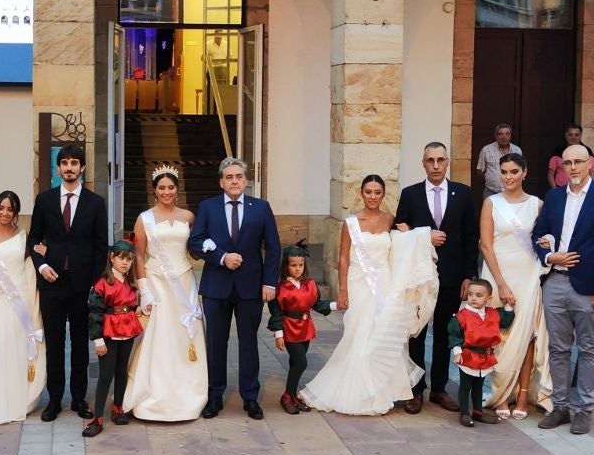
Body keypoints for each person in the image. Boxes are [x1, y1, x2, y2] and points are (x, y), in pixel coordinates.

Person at [301, 175, 439, 415]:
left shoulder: (390, 219)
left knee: (381, 335)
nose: (373, 196)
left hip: (384, 283)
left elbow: (403, 245)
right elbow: (343, 258)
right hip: (359, 282)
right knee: (358, 334)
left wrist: (417, 235)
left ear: (383, 194)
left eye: (377, 192)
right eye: (368, 192)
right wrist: (342, 290)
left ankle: (379, 392)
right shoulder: (351, 222)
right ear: (361, 193)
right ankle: (354, 392)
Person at [533, 144, 594, 435]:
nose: (572, 167)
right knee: (558, 349)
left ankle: (584, 410)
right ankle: (560, 407)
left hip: (589, 287)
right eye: (567, 163)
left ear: (590, 164)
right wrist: (550, 256)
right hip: (555, 283)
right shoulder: (554, 196)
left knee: (589, 348)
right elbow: (538, 234)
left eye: (578, 162)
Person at [188, 157, 281, 420]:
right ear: (221, 182)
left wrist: (269, 282)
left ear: (246, 180)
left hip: (251, 287)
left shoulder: (261, 208)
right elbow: (195, 241)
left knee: (249, 342)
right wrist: (221, 257)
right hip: (216, 287)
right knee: (216, 343)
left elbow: (273, 247)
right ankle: (214, 396)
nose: (234, 181)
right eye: (229, 177)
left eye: (238, 176)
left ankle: (250, 396)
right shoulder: (208, 207)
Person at [395, 142, 479, 414]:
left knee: (445, 333)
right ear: (423, 163)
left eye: (440, 160)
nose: (435, 165)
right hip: (420, 277)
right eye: (430, 160)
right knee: (417, 333)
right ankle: (416, 390)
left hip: (453, 276)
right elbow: (399, 231)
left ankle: (439, 389)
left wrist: (469, 275)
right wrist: (424, 236)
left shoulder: (463, 194)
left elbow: (471, 237)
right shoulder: (410, 194)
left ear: (447, 162)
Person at [27, 144, 108, 422]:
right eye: (64, 163)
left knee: (80, 346)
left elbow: (100, 246)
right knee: (55, 344)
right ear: (58, 167)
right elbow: (34, 238)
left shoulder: (95, 203)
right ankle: (54, 400)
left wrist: (94, 283)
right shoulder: (45, 200)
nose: (69, 167)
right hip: (52, 284)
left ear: (82, 167)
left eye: (74, 163)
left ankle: (78, 398)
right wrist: (42, 266)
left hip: (82, 286)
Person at [122, 165, 207, 421]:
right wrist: (144, 288)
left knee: (184, 334)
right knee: (159, 335)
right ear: (155, 191)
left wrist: (206, 246)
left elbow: (193, 250)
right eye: (162, 188)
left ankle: (188, 392)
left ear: (176, 190)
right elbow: (138, 254)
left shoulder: (189, 216)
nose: (166, 192)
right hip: (157, 282)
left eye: (171, 187)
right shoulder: (144, 219)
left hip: (184, 281)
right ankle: (154, 393)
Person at [479, 153, 554, 419]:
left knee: (527, 335)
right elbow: (486, 245)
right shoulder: (491, 203)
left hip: (528, 274)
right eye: (504, 172)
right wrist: (500, 284)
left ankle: (522, 394)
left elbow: (546, 238)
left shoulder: (537, 204)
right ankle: (501, 394)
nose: (508, 177)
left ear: (524, 173)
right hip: (497, 274)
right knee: (499, 335)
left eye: (513, 172)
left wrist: (548, 242)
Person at [0, 191, 47, 428]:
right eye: (1, 208)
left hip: (19, 303)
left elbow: (32, 267)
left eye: (10, 209)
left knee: (14, 352)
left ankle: (14, 400)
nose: (4, 213)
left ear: (16, 213)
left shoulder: (24, 238)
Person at [83, 241, 145, 437]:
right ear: (112, 258)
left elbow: (130, 304)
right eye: (121, 258)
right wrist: (98, 340)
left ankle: (118, 408)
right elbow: (94, 314)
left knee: (121, 371)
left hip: (127, 330)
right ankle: (97, 418)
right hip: (109, 332)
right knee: (105, 375)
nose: (125, 263)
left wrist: (138, 308)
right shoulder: (102, 284)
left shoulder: (130, 282)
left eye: (129, 259)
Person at [267, 241, 335, 414]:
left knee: (294, 362)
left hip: (305, 327)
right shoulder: (280, 288)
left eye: (301, 265)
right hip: (289, 328)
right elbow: (276, 312)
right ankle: (286, 396)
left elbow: (318, 304)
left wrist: (336, 305)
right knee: (301, 362)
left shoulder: (310, 284)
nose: (297, 269)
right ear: (286, 266)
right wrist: (279, 334)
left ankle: (293, 396)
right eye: (293, 265)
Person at [448, 278, 515, 427]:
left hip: (485, 357)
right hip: (468, 356)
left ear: (488, 298)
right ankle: (464, 413)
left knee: (478, 386)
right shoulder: (461, 316)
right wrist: (458, 352)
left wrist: (508, 306)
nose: (473, 298)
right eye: (470, 294)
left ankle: (478, 412)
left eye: (478, 295)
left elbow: (505, 321)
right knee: (465, 386)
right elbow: (455, 335)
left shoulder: (493, 313)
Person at [475, 123, 521, 198]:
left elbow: (520, 170)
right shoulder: (486, 150)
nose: (504, 137)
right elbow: (480, 170)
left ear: (510, 136)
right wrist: (491, 179)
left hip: (511, 191)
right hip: (491, 192)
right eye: (500, 134)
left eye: (507, 134)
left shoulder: (517, 150)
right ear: (496, 136)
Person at [547, 124, 594, 188]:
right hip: (561, 189)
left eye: (576, 135)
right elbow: (550, 174)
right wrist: (555, 190)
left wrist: (588, 188)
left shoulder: (587, 152)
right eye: (570, 135)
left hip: (582, 189)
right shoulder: (558, 151)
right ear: (566, 135)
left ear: (581, 135)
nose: (573, 137)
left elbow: (592, 172)